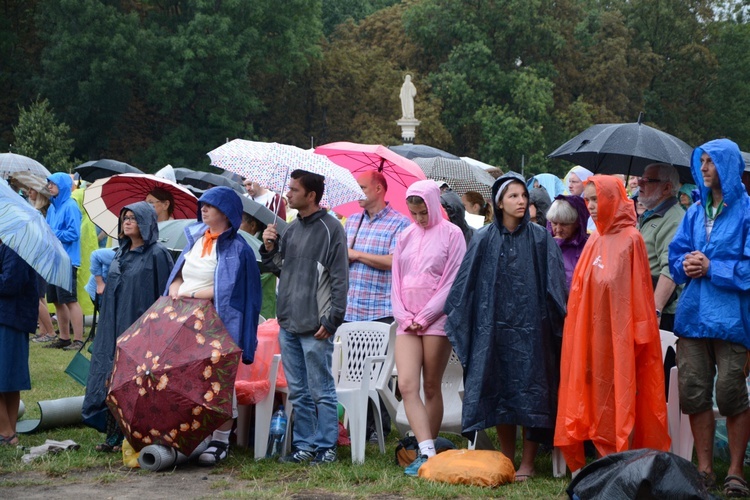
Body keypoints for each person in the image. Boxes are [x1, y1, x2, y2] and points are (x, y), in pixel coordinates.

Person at [445, 172, 567, 481]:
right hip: (492, 329)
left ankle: (528, 462)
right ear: (498, 203)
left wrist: (556, 324)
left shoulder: (541, 239)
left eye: (524, 195)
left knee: (531, 393)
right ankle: (506, 457)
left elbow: (555, 286)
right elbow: (465, 286)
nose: (521, 201)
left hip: (532, 331)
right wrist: (466, 322)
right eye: (513, 196)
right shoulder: (484, 238)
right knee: (500, 391)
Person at [555, 175, 670, 474]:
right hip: (590, 339)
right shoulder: (594, 239)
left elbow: (641, 295)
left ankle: (619, 463)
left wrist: (638, 340)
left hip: (619, 340)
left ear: (613, 199)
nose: (591, 206)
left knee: (618, 397)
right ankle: (596, 463)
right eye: (588, 200)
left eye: (597, 199)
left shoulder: (632, 239)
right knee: (590, 397)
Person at [668, 139, 750, 497]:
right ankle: (703, 470)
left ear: (728, 166)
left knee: (731, 392)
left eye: (711, 161)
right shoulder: (694, 212)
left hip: (732, 319)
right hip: (692, 317)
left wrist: (713, 267)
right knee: (693, 392)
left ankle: (735, 471)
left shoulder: (747, 212)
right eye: (700, 161)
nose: (703, 168)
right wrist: (684, 264)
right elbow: (676, 254)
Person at [166, 187, 262, 466]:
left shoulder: (237, 249)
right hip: (188, 317)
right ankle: (199, 433)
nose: (203, 209)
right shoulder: (195, 239)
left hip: (218, 322)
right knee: (190, 378)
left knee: (218, 380)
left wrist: (191, 294)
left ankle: (221, 440)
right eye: (202, 205)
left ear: (226, 212)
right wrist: (175, 289)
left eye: (211, 205)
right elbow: (179, 273)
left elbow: (234, 292)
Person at [261, 169, 348, 465]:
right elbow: (279, 268)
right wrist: (270, 246)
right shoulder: (291, 229)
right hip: (288, 321)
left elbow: (340, 277)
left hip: (316, 325)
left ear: (311, 195)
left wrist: (332, 318)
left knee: (321, 389)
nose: (288, 193)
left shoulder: (332, 229)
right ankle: (304, 446)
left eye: (294, 190)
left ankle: (326, 447)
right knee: (298, 390)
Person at [82, 202, 174, 452]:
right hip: (113, 326)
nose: (127, 221)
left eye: (133, 218)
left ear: (146, 222)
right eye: (125, 217)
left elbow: (164, 295)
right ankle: (113, 434)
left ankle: (134, 434)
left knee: (136, 382)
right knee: (112, 379)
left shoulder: (157, 254)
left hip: (141, 327)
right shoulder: (119, 253)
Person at [392, 180, 467, 476]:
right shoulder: (406, 236)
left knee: (431, 385)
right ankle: (426, 450)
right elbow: (396, 280)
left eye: (423, 212)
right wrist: (402, 314)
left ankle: (428, 450)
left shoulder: (452, 234)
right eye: (414, 213)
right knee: (406, 384)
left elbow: (452, 281)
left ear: (434, 205)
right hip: (406, 320)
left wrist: (425, 315)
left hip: (436, 320)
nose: (420, 219)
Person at [344, 171, 409, 440]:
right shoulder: (351, 222)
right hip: (351, 307)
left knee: (376, 373)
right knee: (352, 371)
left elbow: (395, 261)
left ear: (379, 189)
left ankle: (378, 428)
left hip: (380, 309)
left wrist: (356, 255)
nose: (358, 193)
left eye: (362, 187)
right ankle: (357, 425)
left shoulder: (400, 224)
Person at [636, 163, 685, 333]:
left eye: (648, 180)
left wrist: (655, 311)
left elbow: (671, 268)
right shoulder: (650, 215)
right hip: (644, 305)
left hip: (662, 314)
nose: (640, 183)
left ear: (667, 188)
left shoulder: (674, 219)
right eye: (641, 178)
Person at [0, 241, 38, 446]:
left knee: (8, 378)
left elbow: (10, 284)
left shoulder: (16, 248)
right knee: (7, 379)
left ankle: (7, 433)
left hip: (9, 319)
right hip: (8, 317)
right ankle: (9, 431)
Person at [44, 172, 84, 350]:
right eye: (48, 183)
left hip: (67, 261)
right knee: (56, 300)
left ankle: (78, 340)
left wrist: (53, 232)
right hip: (53, 260)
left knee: (70, 300)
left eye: (52, 184)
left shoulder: (70, 206)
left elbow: (74, 233)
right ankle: (64, 337)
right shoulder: (52, 207)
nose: (49, 186)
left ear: (63, 186)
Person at [545, 195, 590, 289]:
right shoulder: (543, 243)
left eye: (564, 224)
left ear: (577, 223)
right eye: (554, 223)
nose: (558, 229)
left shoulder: (588, 247)